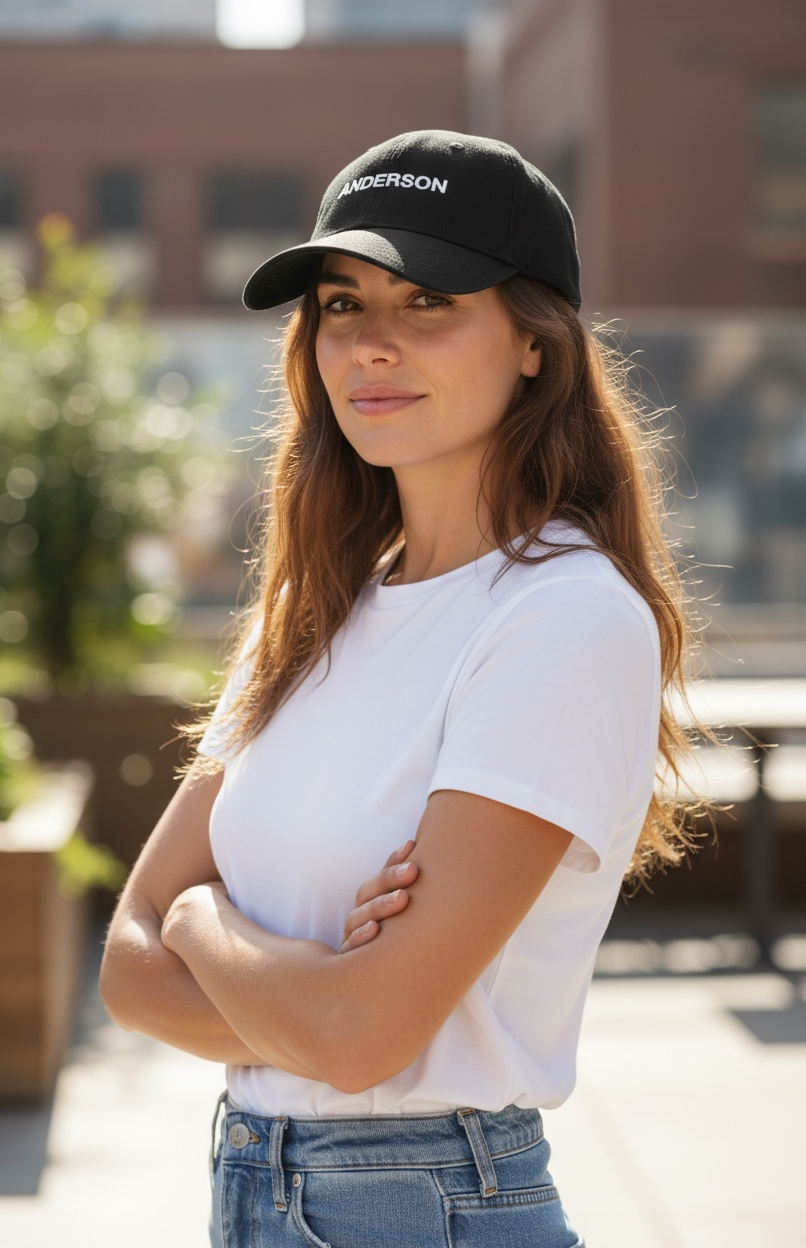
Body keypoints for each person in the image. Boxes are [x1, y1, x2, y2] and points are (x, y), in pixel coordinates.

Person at [100, 130, 699, 1248]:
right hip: (252, 1184)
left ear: (535, 342)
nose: (370, 344)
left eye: (427, 301)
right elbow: (127, 974)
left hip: (422, 1203)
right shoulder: (313, 613)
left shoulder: (561, 619)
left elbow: (356, 1036)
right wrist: (304, 989)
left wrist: (204, 920)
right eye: (341, 303)